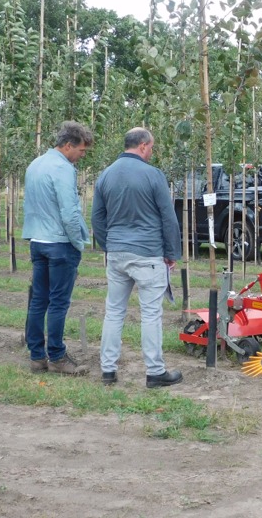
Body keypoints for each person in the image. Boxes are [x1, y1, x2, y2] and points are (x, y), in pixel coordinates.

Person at [93, 128, 183, 388]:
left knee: (113, 311)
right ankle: (155, 371)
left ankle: (107, 370)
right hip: (148, 254)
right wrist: (171, 252)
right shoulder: (153, 175)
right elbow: (168, 217)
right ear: (143, 145)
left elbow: (97, 217)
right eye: (152, 147)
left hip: (117, 254)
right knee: (151, 314)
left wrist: (108, 245)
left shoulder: (106, 175)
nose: (152, 152)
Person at [23, 121, 94, 376]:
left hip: (37, 242)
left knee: (38, 301)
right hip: (59, 243)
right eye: (82, 151)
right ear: (67, 146)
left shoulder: (35, 164)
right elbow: (69, 212)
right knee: (58, 303)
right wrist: (78, 243)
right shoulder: (63, 168)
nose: (82, 156)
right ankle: (57, 356)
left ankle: (36, 357)